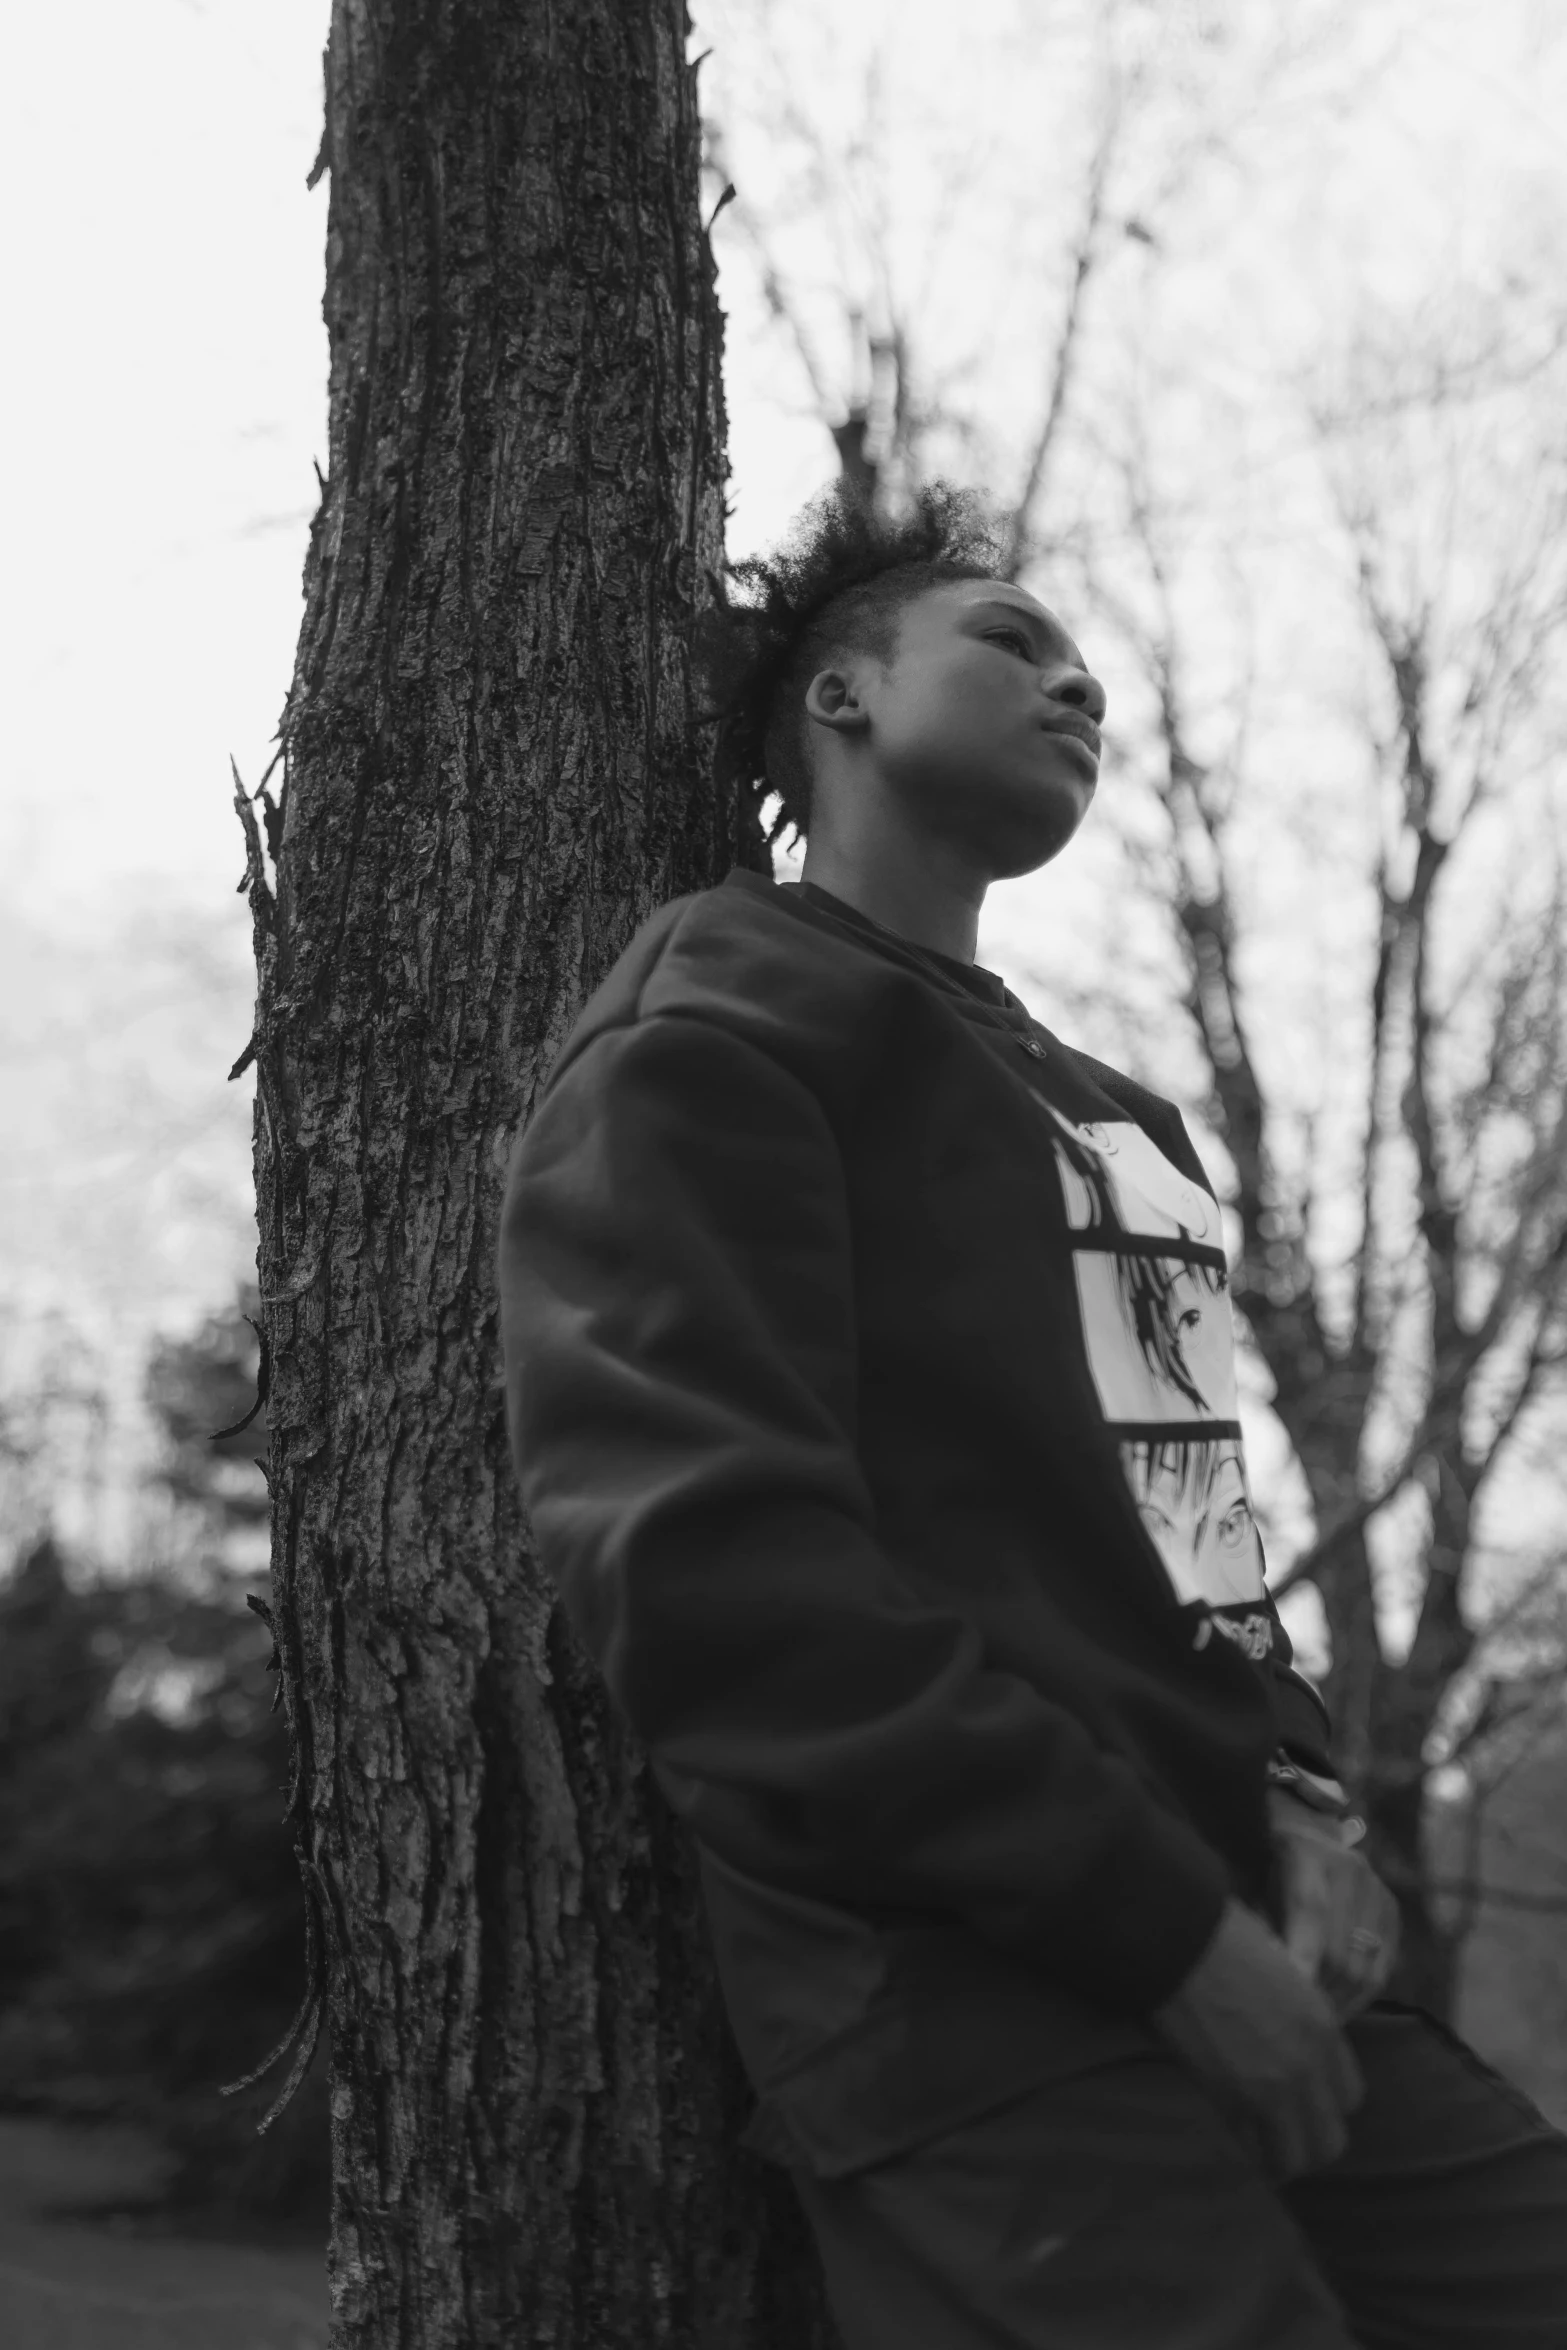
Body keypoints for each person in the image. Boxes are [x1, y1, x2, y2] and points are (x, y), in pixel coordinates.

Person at [496, 480, 1567, 2346]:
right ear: (838, 697)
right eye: (1012, 645)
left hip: (1277, 1939)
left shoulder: (1121, 1124)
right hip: (966, 1987)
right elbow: (720, 1586)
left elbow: (1199, 1533)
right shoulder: (726, 1009)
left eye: (1089, 673)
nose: (1079, 690)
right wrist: (1152, 1931)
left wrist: (1305, 1804)